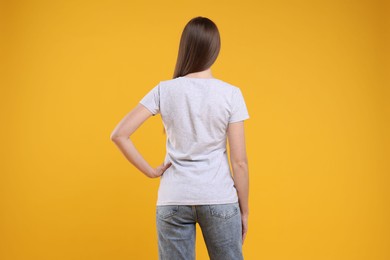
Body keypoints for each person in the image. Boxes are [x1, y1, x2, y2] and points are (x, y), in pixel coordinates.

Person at [110, 16, 250, 260]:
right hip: (218, 196)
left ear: (185, 47)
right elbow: (240, 163)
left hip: (173, 197)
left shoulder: (165, 89)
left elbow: (120, 134)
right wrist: (244, 211)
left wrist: (152, 172)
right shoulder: (231, 94)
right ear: (215, 49)